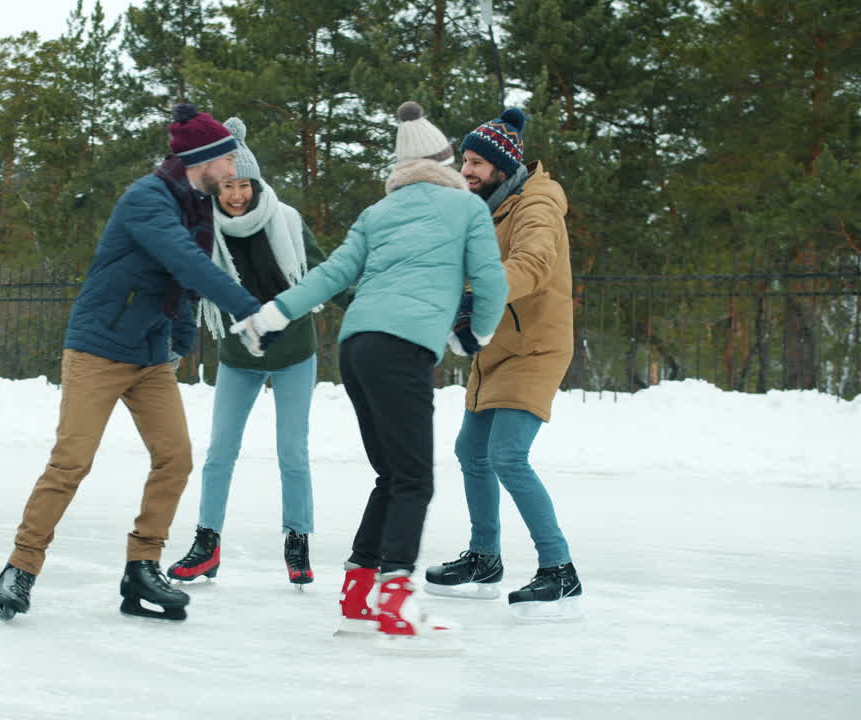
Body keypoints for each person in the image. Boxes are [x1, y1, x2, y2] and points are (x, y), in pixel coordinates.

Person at [0, 103, 282, 624]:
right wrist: (247, 309)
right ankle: (21, 566)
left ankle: (142, 567)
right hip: (99, 350)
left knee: (175, 457)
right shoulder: (146, 199)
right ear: (206, 160)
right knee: (71, 462)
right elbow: (184, 260)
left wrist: (180, 337)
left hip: (150, 358)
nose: (234, 172)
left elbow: (186, 283)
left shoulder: (197, 205)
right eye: (229, 162)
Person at [234, 101, 507, 646]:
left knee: (392, 475)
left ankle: (358, 593)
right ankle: (395, 601)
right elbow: (491, 281)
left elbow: (331, 274)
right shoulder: (467, 209)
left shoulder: (377, 214)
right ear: (446, 162)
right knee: (414, 481)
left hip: (357, 347)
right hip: (402, 350)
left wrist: (273, 311)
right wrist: (476, 334)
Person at [165, 117, 351, 588]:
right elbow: (186, 288)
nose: (235, 195)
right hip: (238, 355)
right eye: (227, 186)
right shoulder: (203, 229)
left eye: (243, 185)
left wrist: (370, 308)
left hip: (292, 350)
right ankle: (206, 544)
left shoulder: (285, 220)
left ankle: (297, 540)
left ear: (256, 183)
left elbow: (326, 271)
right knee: (220, 451)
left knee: (292, 452)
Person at [422, 107, 584, 623]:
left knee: (508, 455)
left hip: (535, 347)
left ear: (500, 165)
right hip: (497, 346)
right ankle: (485, 558)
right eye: (464, 161)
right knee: (471, 451)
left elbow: (532, 265)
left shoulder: (536, 206)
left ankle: (559, 569)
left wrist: (478, 294)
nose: (466, 170)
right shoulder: (488, 204)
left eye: (475, 162)